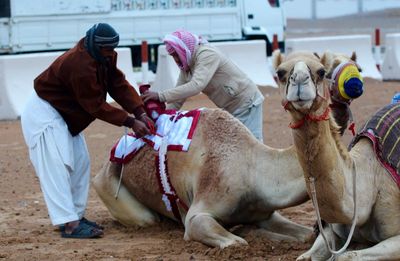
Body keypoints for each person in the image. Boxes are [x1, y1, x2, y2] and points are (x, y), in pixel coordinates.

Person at [20, 23, 154, 238]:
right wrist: (130, 122)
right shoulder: (79, 64)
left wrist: (140, 112)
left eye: (113, 49)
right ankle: (69, 223)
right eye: (106, 50)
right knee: (57, 166)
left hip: (66, 116)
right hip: (44, 113)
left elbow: (118, 84)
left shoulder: (105, 55)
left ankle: (76, 216)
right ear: (94, 43)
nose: (110, 54)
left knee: (81, 162)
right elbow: (95, 105)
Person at [141, 30, 264, 141]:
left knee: (253, 151)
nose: (176, 59)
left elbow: (196, 85)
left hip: (247, 104)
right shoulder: (187, 66)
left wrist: (160, 96)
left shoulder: (207, 54)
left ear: (183, 49)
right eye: (173, 56)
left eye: (176, 54)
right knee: (237, 150)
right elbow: (177, 101)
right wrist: (160, 121)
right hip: (231, 109)